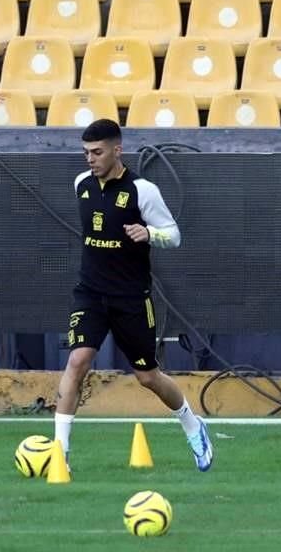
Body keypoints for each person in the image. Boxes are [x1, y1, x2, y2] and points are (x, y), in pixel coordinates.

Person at [53, 119, 213, 472]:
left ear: (117, 150)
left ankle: (192, 424)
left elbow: (174, 236)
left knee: (148, 376)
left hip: (130, 297)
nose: (90, 159)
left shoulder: (143, 191)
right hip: (90, 293)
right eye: (86, 152)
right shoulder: (81, 184)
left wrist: (149, 233)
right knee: (78, 361)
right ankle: (59, 454)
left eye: (97, 152)